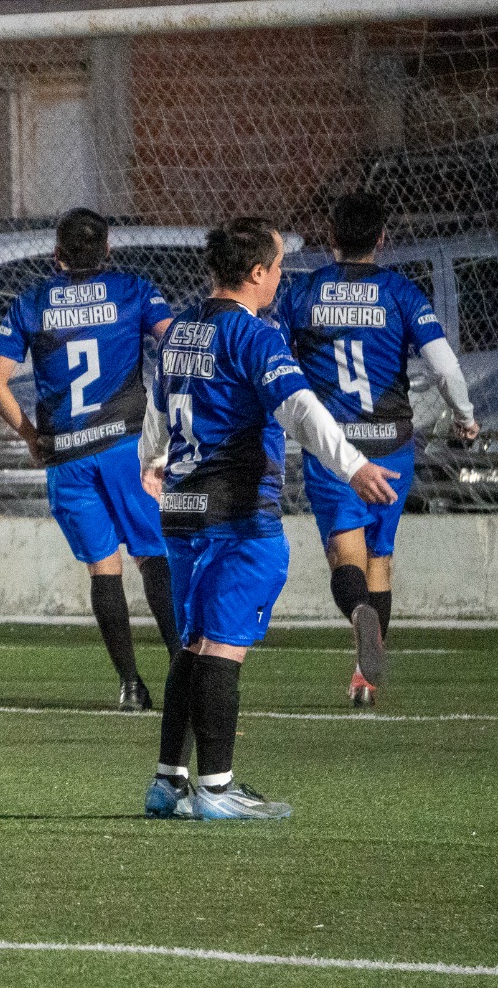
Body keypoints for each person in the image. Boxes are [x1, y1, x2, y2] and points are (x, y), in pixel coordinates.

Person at [140, 217, 399, 821]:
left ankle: (168, 783)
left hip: (180, 510)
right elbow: (300, 409)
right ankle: (217, 789)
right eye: (279, 266)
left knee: (193, 645)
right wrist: (354, 465)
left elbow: (157, 405)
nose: (281, 278)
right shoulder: (252, 335)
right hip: (236, 518)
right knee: (222, 649)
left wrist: (152, 462)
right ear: (257, 273)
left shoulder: (180, 331)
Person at [273, 193, 478, 707]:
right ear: (382, 238)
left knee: (347, 556)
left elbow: (274, 359)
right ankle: (364, 677)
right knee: (380, 558)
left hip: (335, 447)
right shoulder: (401, 293)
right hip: (392, 444)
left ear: (330, 236)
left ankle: (357, 613)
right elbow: (446, 367)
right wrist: (464, 417)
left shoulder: (302, 292)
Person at [0, 208, 181, 711]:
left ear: (57, 255)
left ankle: (131, 686)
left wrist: (30, 434)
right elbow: (176, 344)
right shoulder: (134, 289)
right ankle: (185, 665)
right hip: (126, 447)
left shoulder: (31, 303)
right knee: (154, 555)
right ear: (108, 250)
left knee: (102, 568)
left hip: (68, 455)